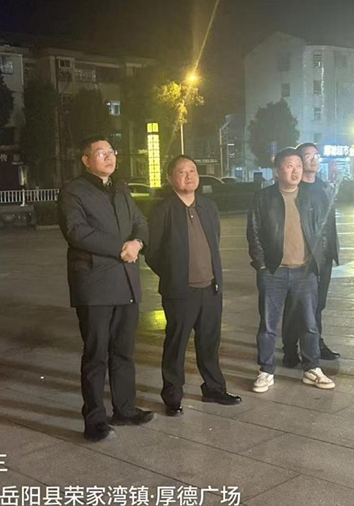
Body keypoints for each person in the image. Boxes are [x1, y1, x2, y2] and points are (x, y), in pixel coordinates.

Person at [57, 135, 153, 442]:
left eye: (111, 152)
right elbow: (76, 231)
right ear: (86, 160)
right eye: (101, 153)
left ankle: (125, 408)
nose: (109, 157)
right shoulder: (74, 191)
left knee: (124, 351)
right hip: (95, 284)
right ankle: (94, 419)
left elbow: (140, 222)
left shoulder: (121, 189)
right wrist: (120, 248)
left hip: (126, 282)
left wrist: (137, 242)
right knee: (96, 354)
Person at [146, 155, 242, 416]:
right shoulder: (163, 209)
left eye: (193, 170)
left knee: (209, 342)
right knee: (176, 345)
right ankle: (172, 396)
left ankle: (214, 388)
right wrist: (174, 275)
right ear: (170, 178)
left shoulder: (208, 206)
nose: (189, 176)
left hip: (210, 288)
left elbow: (214, 240)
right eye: (182, 171)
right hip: (180, 292)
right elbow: (152, 251)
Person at [247, 148, 335, 393]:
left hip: (305, 272)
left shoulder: (311, 196)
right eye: (289, 166)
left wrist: (317, 262)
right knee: (268, 326)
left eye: (298, 165)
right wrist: (262, 265)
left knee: (309, 324)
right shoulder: (263, 198)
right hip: (273, 272)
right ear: (277, 172)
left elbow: (322, 231)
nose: (295, 171)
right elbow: (253, 233)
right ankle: (266, 370)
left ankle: (312, 368)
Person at [282, 142, 340, 366]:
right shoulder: (295, 190)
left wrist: (331, 251)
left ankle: (316, 343)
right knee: (294, 305)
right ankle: (290, 348)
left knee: (318, 304)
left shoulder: (324, 187)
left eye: (316, 155)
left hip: (323, 256)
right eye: (308, 156)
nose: (314, 159)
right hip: (303, 258)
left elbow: (329, 223)